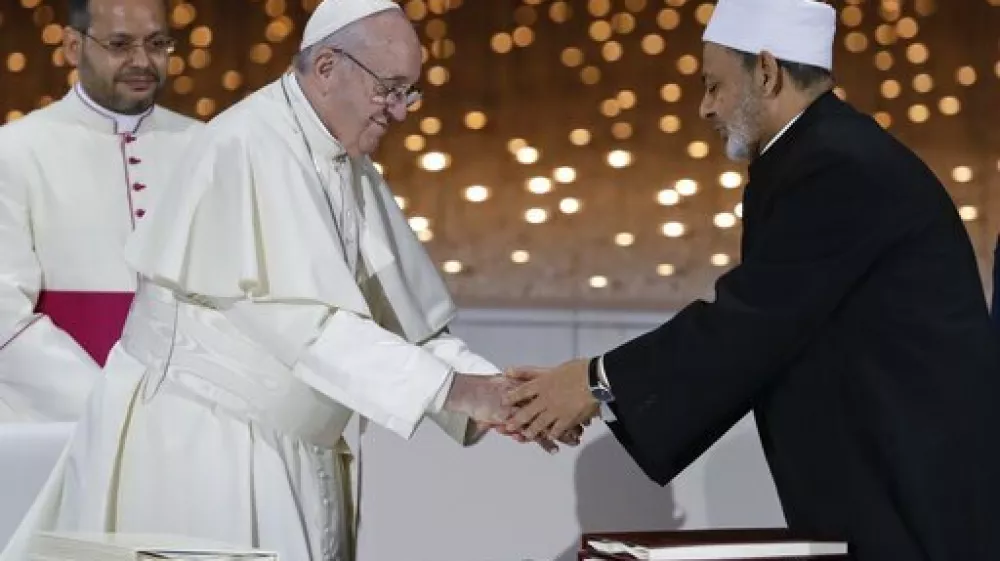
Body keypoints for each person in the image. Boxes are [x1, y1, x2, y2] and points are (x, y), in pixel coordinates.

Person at [0, 1, 575, 560]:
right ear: (327, 68)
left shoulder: (345, 161)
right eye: (390, 88)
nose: (400, 111)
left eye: (408, 91)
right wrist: (460, 393)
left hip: (297, 454)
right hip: (208, 457)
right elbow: (308, 327)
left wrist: (503, 394)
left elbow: (404, 321)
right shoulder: (246, 145)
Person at [504, 0, 1000, 560]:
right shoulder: (812, 156)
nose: (704, 108)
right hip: (889, 484)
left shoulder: (839, 166)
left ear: (766, 72)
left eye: (714, 86)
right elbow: (763, 333)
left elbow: (751, 322)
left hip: (917, 499)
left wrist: (596, 382)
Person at [0, 0, 201, 422]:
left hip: (191, 420)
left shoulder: (208, 148)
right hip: (58, 425)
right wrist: (107, 408)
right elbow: (4, 316)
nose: (142, 61)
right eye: (120, 44)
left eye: (157, 43)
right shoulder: (14, 151)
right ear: (73, 47)